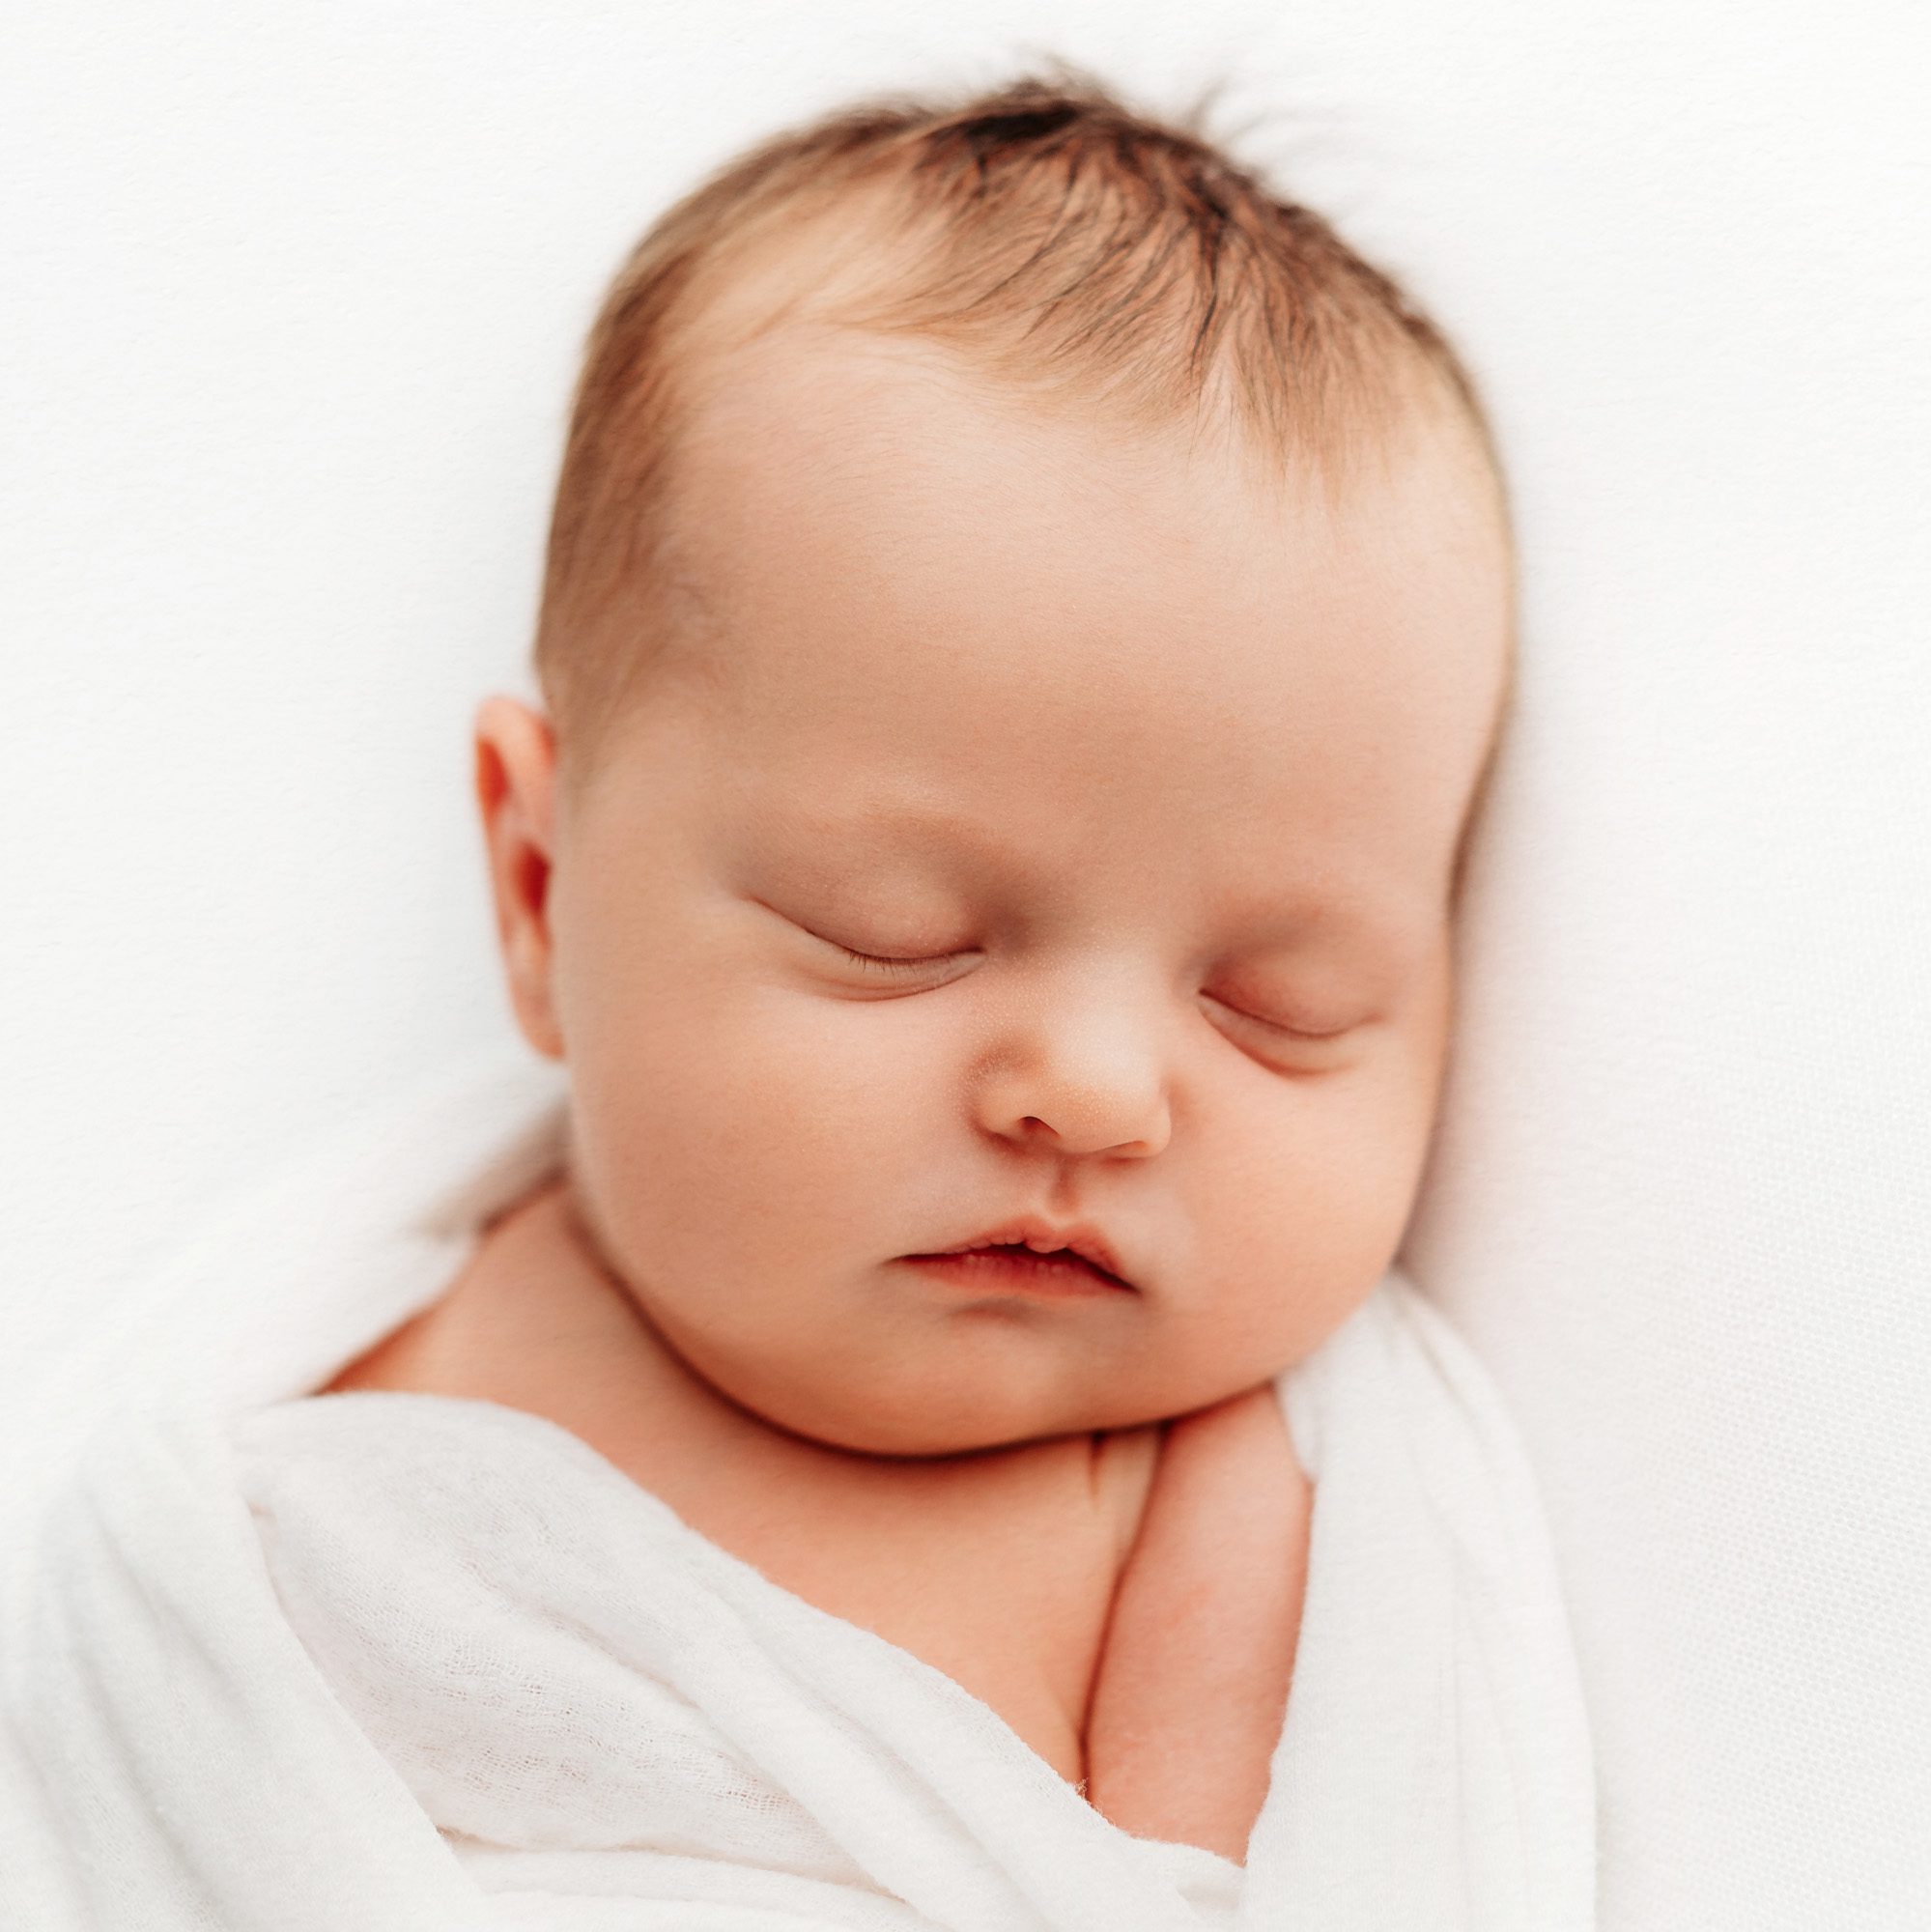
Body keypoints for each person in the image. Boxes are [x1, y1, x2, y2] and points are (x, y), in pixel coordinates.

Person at [2, 64, 1593, 1932]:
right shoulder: (296, 1399)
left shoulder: (1214, 1502)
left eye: (1276, 1000)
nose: (1089, 1092)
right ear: (537, 894)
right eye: (893, 931)